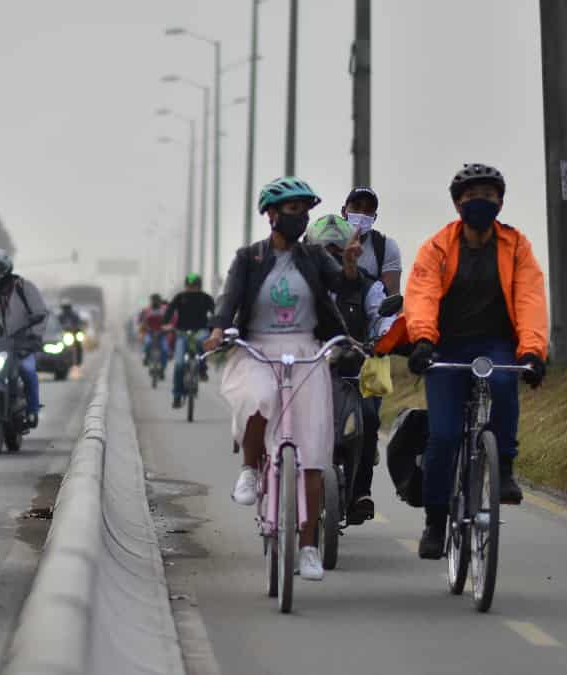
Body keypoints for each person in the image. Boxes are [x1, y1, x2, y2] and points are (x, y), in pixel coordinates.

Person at [204, 177, 363, 581]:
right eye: (292, 210)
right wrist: (220, 329)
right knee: (258, 397)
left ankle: (308, 546)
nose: (300, 217)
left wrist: (347, 266)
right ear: (271, 215)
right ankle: (250, 469)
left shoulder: (313, 257)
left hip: (308, 351)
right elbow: (229, 301)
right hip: (258, 348)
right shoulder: (250, 259)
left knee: (311, 451)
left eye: (303, 211)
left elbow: (342, 285)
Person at [403, 163, 548, 559]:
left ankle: (504, 468)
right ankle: (435, 521)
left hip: (496, 344)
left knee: (504, 384)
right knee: (444, 435)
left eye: (488, 196)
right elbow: (422, 294)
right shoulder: (437, 247)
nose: (480, 203)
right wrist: (422, 341)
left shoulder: (517, 246)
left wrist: (533, 351)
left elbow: (530, 298)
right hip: (446, 348)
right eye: (470, 198)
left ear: (500, 202)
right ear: (457, 205)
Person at [304, 214, 396, 525]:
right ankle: (275, 479)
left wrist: (381, 337)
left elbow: (383, 316)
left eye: (336, 250)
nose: (329, 257)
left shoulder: (367, 285)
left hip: (353, 373)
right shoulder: (299, 284)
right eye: (323, 251)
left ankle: (360, 492)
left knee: (368, 418)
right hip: (305, 371)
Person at [0, 249, 49, 429]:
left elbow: (41, 313)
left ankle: (32, 411)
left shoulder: (24, 288)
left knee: (28, 370)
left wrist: (33, 335)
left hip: (22, 343)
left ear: (1, 272)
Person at [164, 273, 215, 408]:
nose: (192, 288)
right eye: (190, 286)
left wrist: (216, 326)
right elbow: (169, 312)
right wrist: (166, 323)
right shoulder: (179, 297)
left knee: (201, 342)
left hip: (201, 331)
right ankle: (177, 395)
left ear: (199, 286)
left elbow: (216, 312)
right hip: (182, 333)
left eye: (194, 286)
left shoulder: (206, 298)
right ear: (186, 286)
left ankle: (202, 368)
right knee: (179, 364)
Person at [342, 187, 401, 295]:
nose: (361, 214)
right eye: (356, 207)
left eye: (368, 210)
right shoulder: (328, 241)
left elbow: (391, 296)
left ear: (374, 217)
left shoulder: (386, 246)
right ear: (343, 211)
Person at [139, 293, 170, 370]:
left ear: (160, 301)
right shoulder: (146, 311)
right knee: (147, 344)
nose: (155, 302)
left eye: (157, 300)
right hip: (150, 333)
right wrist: (143, 327)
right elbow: (141, 320)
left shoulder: (164, 310)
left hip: (162, 334)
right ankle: (146, 358)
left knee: (165, 350)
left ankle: (163, 367)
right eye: (154, 300)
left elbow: (170, 320)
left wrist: (168, 327)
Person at [57, 300, 85, 365]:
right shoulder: (60, 316)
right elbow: (57, 325)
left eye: (67, 307)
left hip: (73, 333)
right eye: (65, 307)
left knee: (78, 345)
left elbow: (79, 323)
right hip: (64, 334)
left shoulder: (74, 315)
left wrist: (77, 328)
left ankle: (78, 360)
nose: (66, 309)